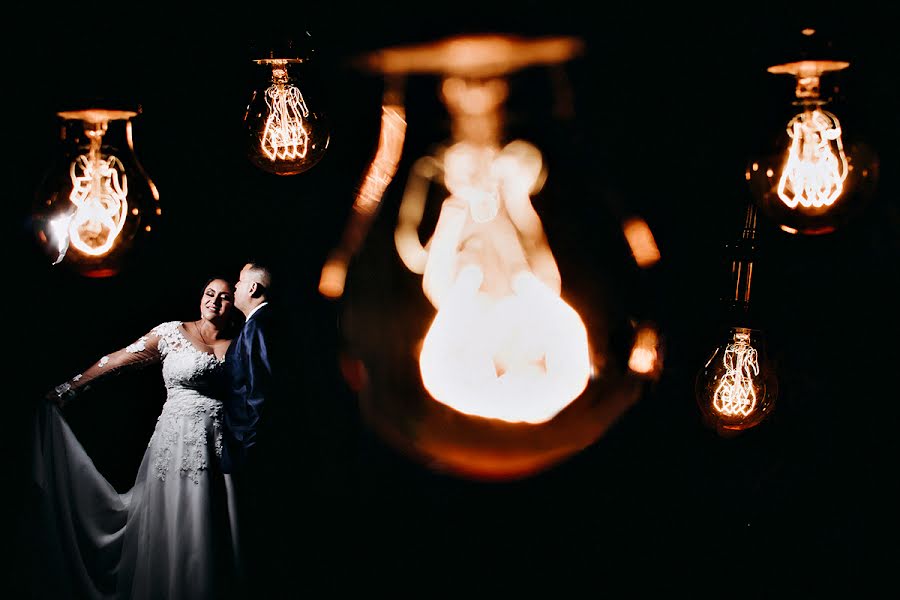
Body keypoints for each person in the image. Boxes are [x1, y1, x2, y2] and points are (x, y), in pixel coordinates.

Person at [31, 277, 241, 600]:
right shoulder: (172, 333)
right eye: (209, 294)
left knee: (209, 532)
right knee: (172, 526)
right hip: (176, 445)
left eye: (224, 297)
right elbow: (115, 361)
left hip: (218, 450)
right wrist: (68, 388)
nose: (214, 301)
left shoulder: (239, 344)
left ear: (233, 306)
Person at [220, 260, 287, 594]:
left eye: (239, 281)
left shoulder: (260, 327)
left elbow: (260, 392)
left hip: (252, 449)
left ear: (254, 289)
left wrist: (245, 447)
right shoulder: (252, 325)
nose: (234, 287)